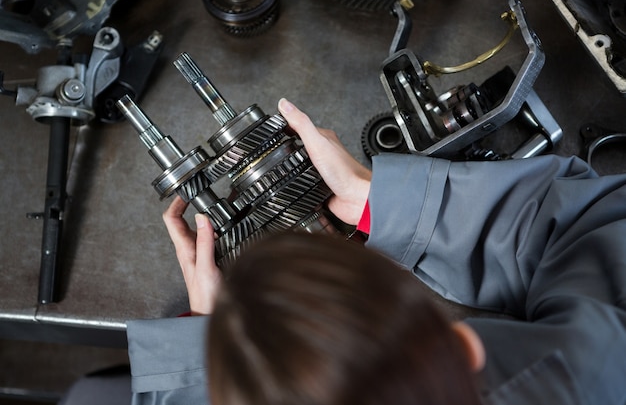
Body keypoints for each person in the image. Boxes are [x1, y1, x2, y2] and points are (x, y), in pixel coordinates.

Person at [126, 98, 626, 405]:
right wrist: (378, 201)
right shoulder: (585, 378)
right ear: (466, 349)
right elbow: (594, 228)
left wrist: (204, 355)